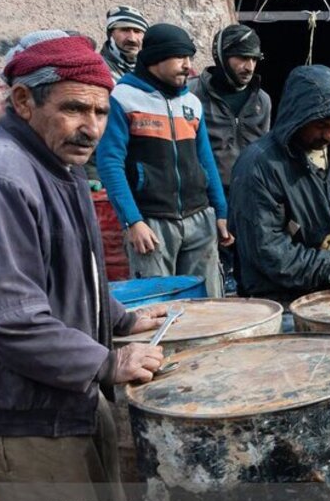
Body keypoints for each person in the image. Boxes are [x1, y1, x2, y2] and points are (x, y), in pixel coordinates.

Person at [0, 30, 175, 501]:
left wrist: (121, 319)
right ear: (23, 99)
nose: (89, 127)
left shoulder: (53, 165)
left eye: (99, 112)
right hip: (23, 412)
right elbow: (9, 315)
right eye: (72, 109)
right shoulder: (3, 175)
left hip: (61, 394)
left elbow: (73, 278)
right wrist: (106, 360)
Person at [96, 23, 232, 297]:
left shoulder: (191, 103)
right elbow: (110, 163)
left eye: (190, 58)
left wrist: (220, 213)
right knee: (159, 305)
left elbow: (205, 160)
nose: (187, 66)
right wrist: (132, 222)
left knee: (210, 304)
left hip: (199, 218)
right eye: (180, 57)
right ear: (157, 58)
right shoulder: (123, 99)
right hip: (152, 224)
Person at [230, 65, 330, 308]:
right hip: (281, 301)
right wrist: (326, 268)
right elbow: (267, 249)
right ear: (298, 118)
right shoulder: (260, 166)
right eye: (322, 126)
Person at [191, 24, 272, 294]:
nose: (248, 66)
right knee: (215, 272)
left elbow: (266, 147)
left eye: (253, 59)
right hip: (208, 196)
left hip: (250, 194)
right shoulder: (193, 96)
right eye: (241, 58)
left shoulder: (262, 100)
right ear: (220, 56)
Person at [100, 5, 148, 82]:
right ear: (110, 34)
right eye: (125, 30)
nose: (132, 38)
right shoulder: (97, 68)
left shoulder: (151, 69)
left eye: (137, 31)